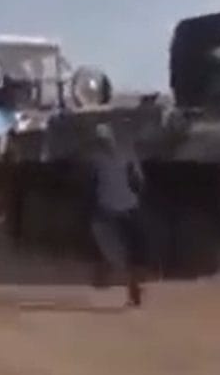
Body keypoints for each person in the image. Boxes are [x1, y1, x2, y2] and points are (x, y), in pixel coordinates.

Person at [87, 123, 146, 307]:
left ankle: (105, 271)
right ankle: (132, 288)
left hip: (108, 209)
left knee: (103, 239)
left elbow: (91, 185)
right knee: (131, 252)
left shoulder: (95, 159)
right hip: (129, 206)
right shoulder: (126, 155)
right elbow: (139, 180)